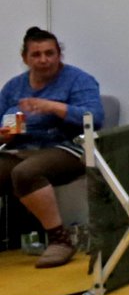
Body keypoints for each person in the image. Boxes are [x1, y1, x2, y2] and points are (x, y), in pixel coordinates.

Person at [1, 28, 105, 268]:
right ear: (25, 58)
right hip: (20, 148)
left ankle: (60, 239)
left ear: (60, 55)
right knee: (17, 167)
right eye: (36, 54)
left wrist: (53, 107)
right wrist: (6, 132)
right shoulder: (13, 88)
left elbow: (95, 118)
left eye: (50, 53)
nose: (44, 60)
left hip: (68, 147)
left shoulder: (79, 80)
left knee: (26, 172)